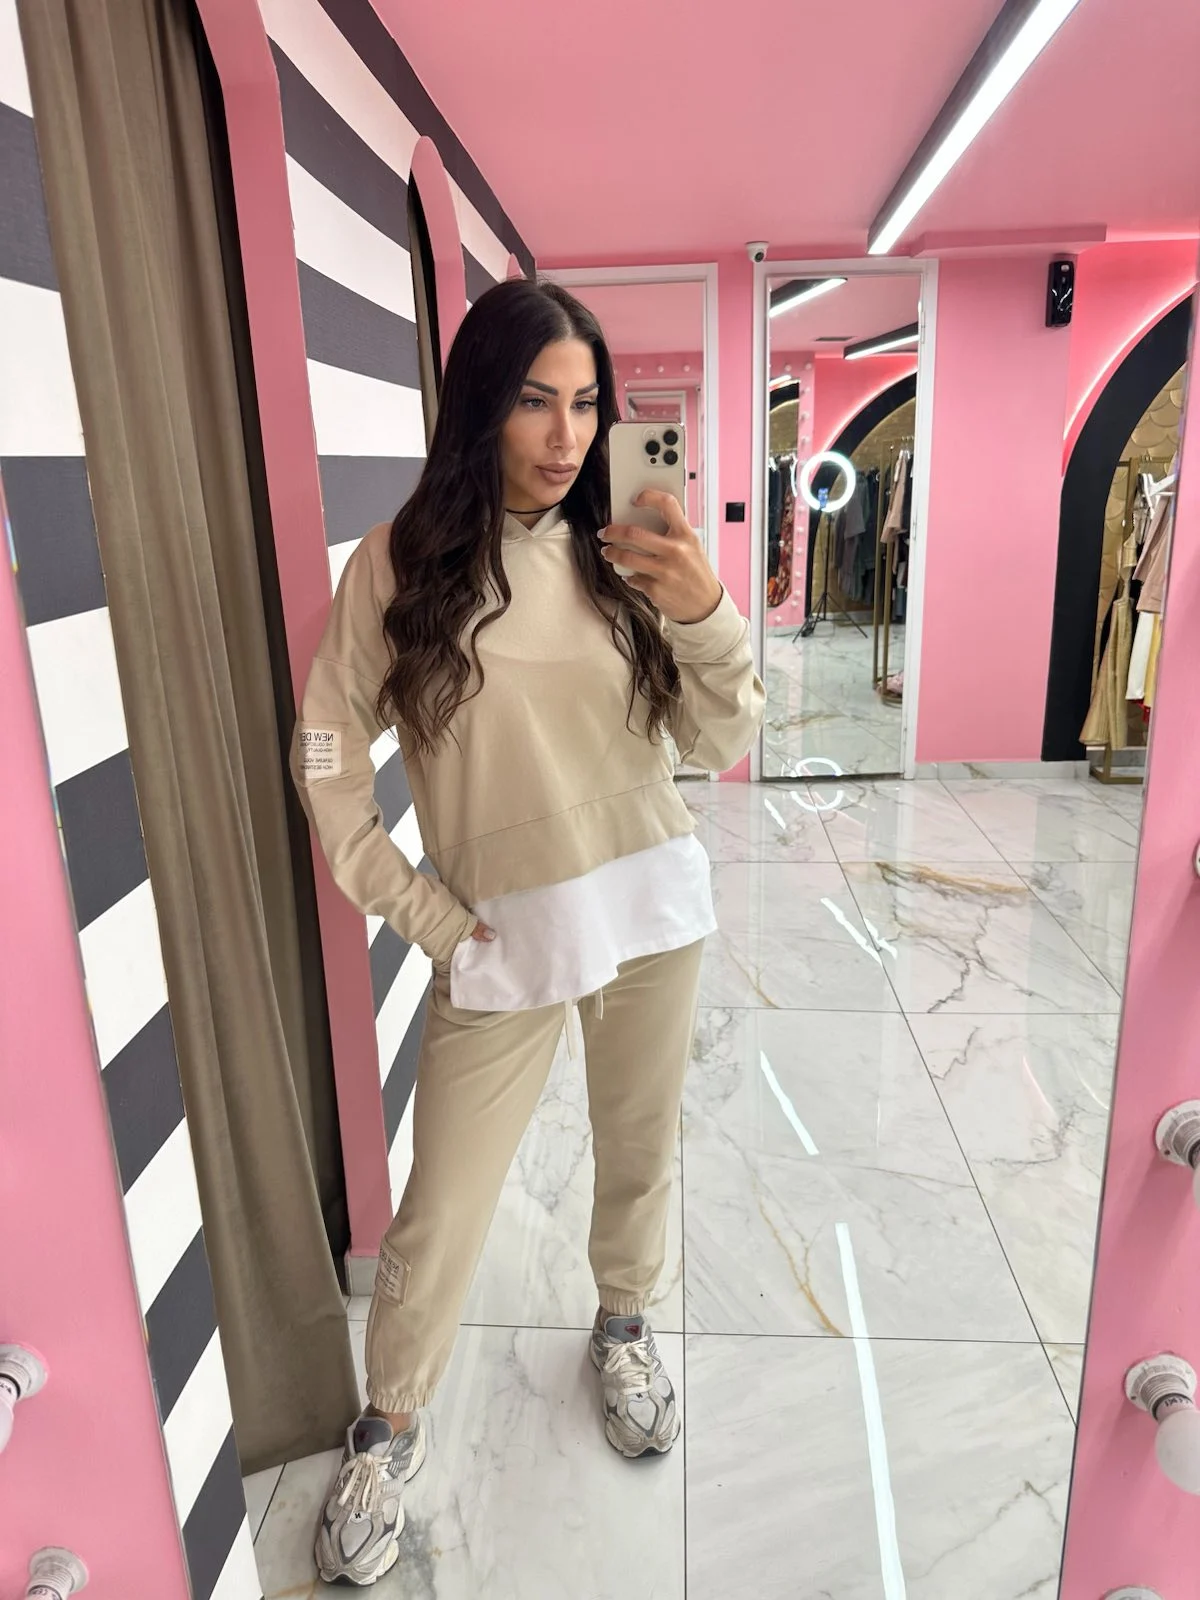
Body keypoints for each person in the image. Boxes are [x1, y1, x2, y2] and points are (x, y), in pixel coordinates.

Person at [291, 278, 763, 1586]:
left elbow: (718, 740)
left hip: (652, 908)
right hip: (500, 944)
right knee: (443, 1204)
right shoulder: (398, 566)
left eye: (588, 405)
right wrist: (428, 916)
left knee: (639, 1147)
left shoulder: (625, 555)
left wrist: (707, 611)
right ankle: (388, 1425)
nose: (566, 436)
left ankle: (623, 1323)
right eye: (535, 402)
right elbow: (325, 756)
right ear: (481, 406)